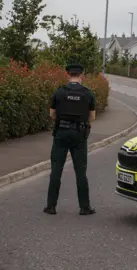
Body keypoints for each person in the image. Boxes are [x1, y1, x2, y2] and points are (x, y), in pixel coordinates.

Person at [43, 63, 96, 215]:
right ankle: (84, 207)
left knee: (56, 170)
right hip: (79, 136)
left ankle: (51, 207)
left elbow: (51, 114)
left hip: (61, 134)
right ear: (81, 76)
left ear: (68, 75)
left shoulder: (59, 92)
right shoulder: (88, 94)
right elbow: (92, 116)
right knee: (80, 172)